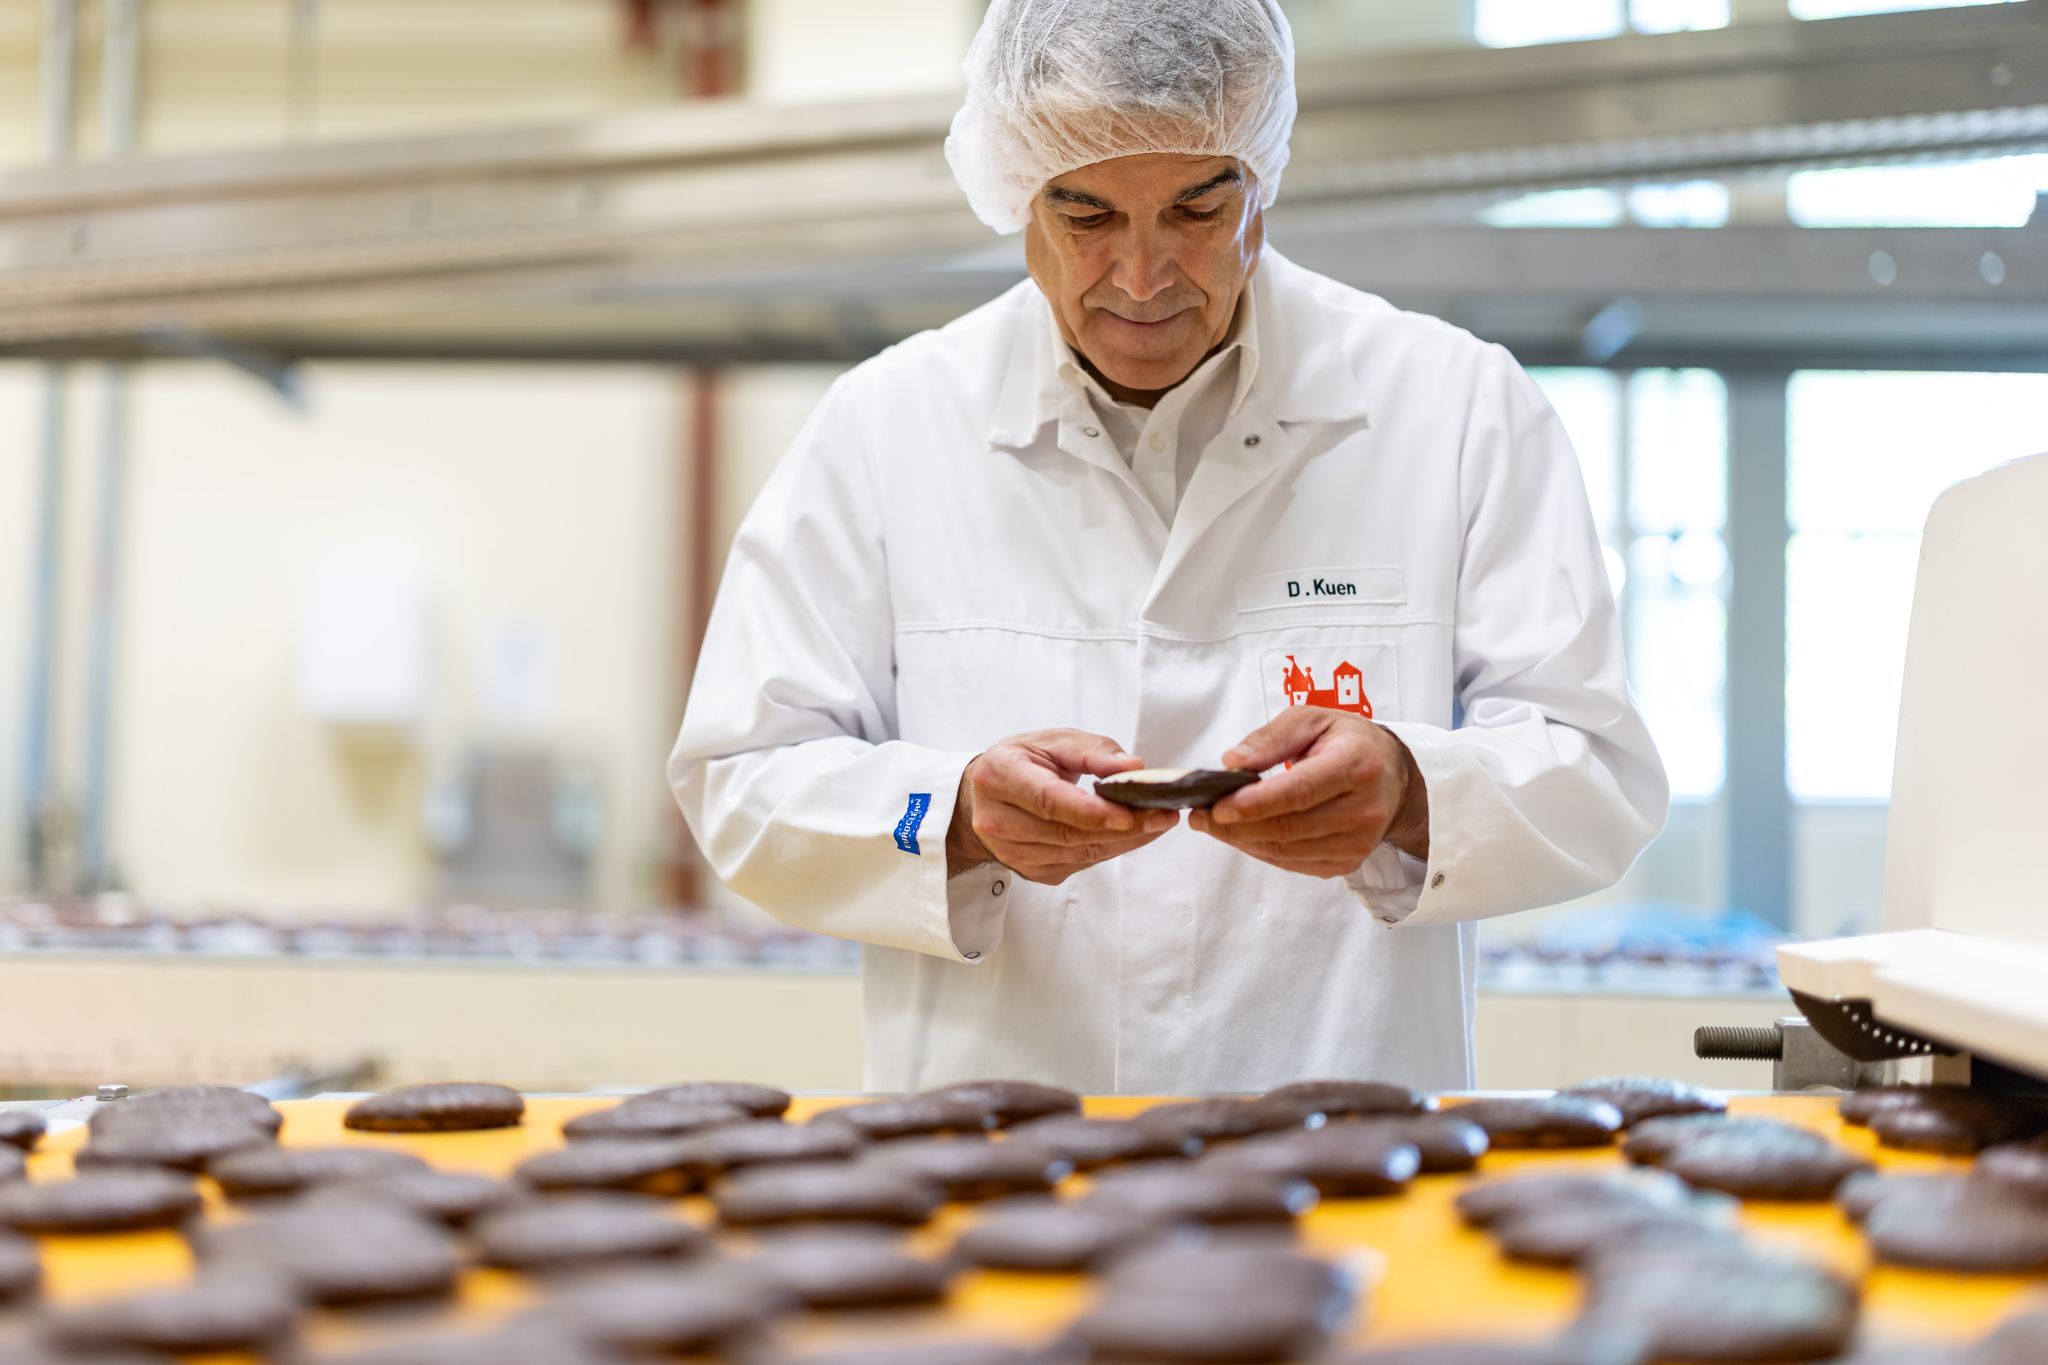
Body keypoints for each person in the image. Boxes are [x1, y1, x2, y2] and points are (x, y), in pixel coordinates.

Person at [670, 0, 1668, 1093]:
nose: (1141, 278)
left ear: (1261, 175)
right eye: (1085, 214)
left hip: (1342, 1154)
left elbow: (1597, 768)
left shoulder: (1454, 409)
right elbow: (742, 773)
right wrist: (954, 815)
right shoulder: (888, 426)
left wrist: (1412, 786)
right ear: (1017, 193)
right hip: (999, 1161)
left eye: (1195, 207)